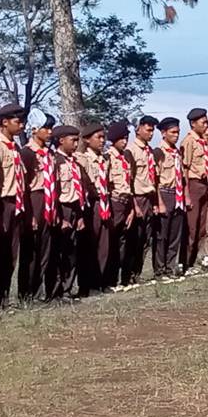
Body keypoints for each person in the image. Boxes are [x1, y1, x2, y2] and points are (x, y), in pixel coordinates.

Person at [0, 103, 27, 311]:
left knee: (11, 254)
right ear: (4, 122)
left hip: (16, 204)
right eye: (17, 121)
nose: (22, 126)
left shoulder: (15, 148)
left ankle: (3, 297)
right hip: (2, 204)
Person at [19, 109, 57, 303]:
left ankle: (40, 291)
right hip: (34, 200)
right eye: (45, 128)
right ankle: (26, 292)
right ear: (34, 130)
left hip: (49, 201)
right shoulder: (26, 153)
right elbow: (24, 185)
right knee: (31, 250)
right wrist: (30, 214)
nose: (49, 132)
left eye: (51, 128)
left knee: (46, 249)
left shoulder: (50, 153)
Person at [50, 125, 86, 301]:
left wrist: (80, 216)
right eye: (73, 140)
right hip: (61, 209)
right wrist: (59, 217)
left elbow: (79, 191)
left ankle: (67, 289)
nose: (76, 144)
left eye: (77, 140)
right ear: (61, 140)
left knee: (72, 252)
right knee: (59, 252)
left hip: (74, 208)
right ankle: (55, 290)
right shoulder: (55, 161)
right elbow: (53, 192)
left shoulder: (75, 163)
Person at [125, 115, 159, 286]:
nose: (151, 133)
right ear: (138, 129)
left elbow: (153, 178)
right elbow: (129, 180)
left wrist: (155, 202)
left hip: (149, 197)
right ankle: (128, 275)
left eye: (153, 130)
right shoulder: (131, 150)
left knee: (146, 239)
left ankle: (137, 273)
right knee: (135, 239)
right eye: (148, 130)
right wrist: (134, 205)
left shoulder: (149, 151)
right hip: (137, 198)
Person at [79, 123, 112, 293]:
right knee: (90, 244)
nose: (102, 141)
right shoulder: (82, 159)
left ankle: (101, 280)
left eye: (103, 137)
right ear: (86, 139)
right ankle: (88, 284)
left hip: (105, 202)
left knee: (104, 244)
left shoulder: (105, 159)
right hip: (91, 203)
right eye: (98, 137)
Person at [153, 117, 186, 279]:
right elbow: (155, 179)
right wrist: (159, 202)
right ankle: (160, 270)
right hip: (164, 193)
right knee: (162, 235)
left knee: (175, 234)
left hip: (177, 194)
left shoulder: (177, 153)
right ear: (163, 133)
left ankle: (170, 267)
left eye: (178, 132)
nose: (176, 135)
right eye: (172, 132)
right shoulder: (159, 152)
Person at [181, 108, 208, 271]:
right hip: (193, 185)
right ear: (193, 123)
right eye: (203, 122)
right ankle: (184, 263)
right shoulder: (189, 141)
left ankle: (193, 262)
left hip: (204, 186)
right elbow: (185, 168)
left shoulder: (203, 141)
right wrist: (186, 194)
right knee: (191, 228)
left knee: (201, 227)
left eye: (206, 122)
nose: (206, 125)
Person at [105, 122, 135, 287]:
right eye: (121, 139)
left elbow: (129, 184)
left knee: (124, 242)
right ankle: (110, 279)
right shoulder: (108, 157)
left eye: (126, 138)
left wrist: (131, 209)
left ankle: (122, 277)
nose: (124, 142)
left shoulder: (126, 158)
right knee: (112, 242)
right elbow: (106, 184)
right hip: (114, 202)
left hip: (126, 202)